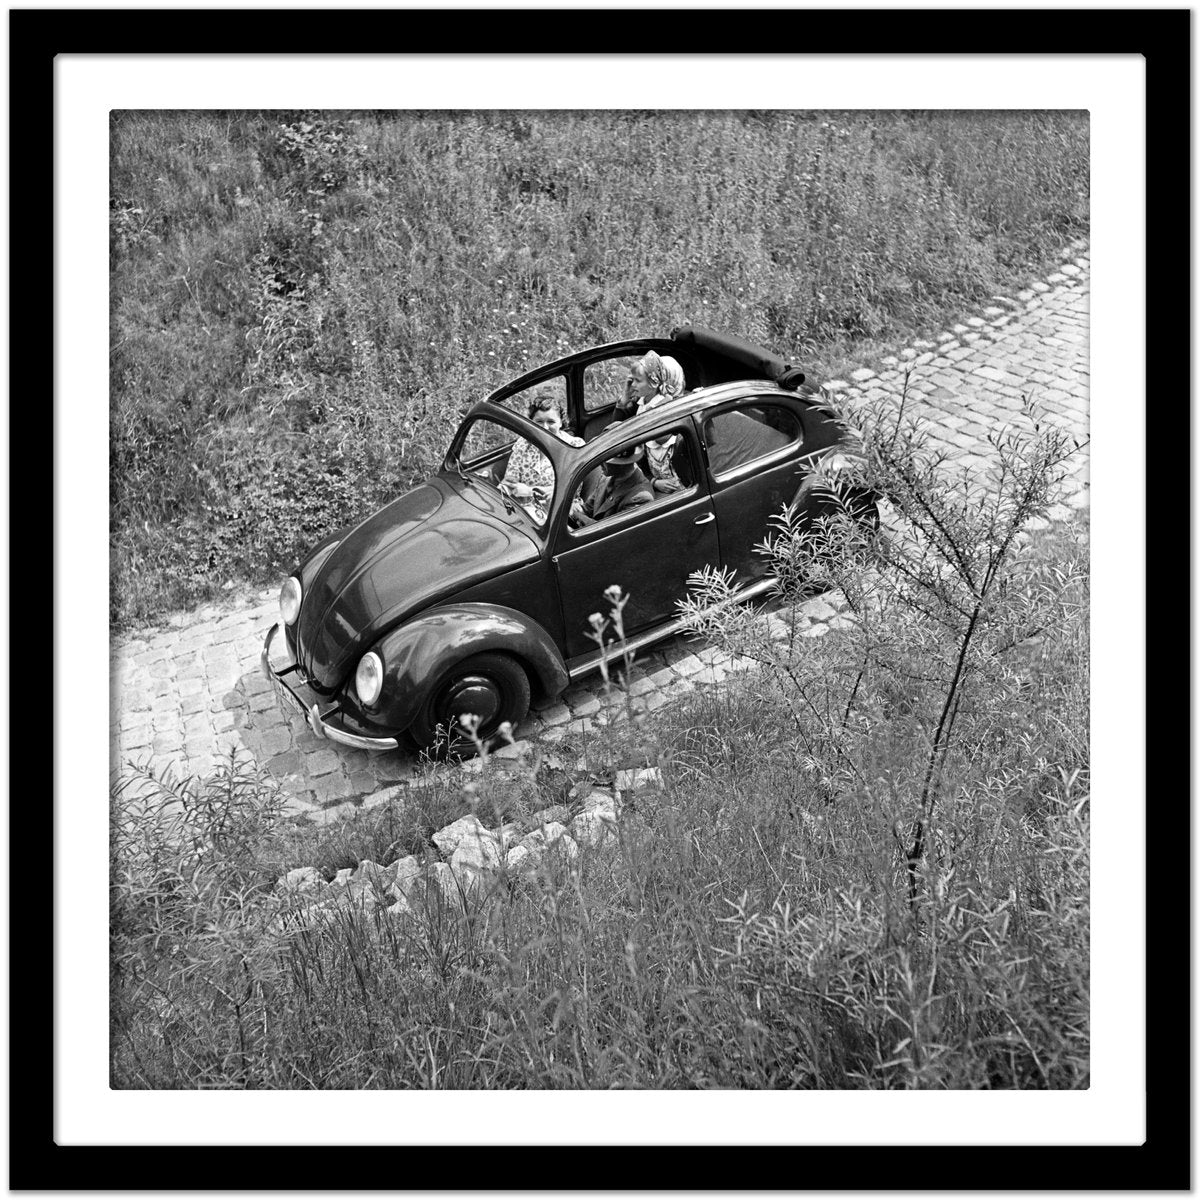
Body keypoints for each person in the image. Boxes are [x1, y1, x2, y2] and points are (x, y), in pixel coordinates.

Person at [501, 388, 583, 522]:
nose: (544, 427)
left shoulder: (574, 446)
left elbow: (572, 489)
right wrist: (506, 488)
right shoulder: (523, 444)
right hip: (524, 510)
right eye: (539, 422)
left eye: (551, 422)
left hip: (562, 512)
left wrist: (530, 491)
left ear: (561, 422)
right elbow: (510, 481)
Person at [612, 352, 688, 492]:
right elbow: (615, 433)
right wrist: (625, 396)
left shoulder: (671, 410)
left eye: (638, 380)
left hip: (680, 488)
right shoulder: (641, 405)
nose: (633, 384)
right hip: (654, 483)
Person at [569, 445, 655, 527]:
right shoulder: (605, 479)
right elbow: (588, 509)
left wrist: (575, 514)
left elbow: (609, 532)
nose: (600, 464)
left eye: (605, 461)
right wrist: (576, 509)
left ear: (621, 464)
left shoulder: (641, 497)